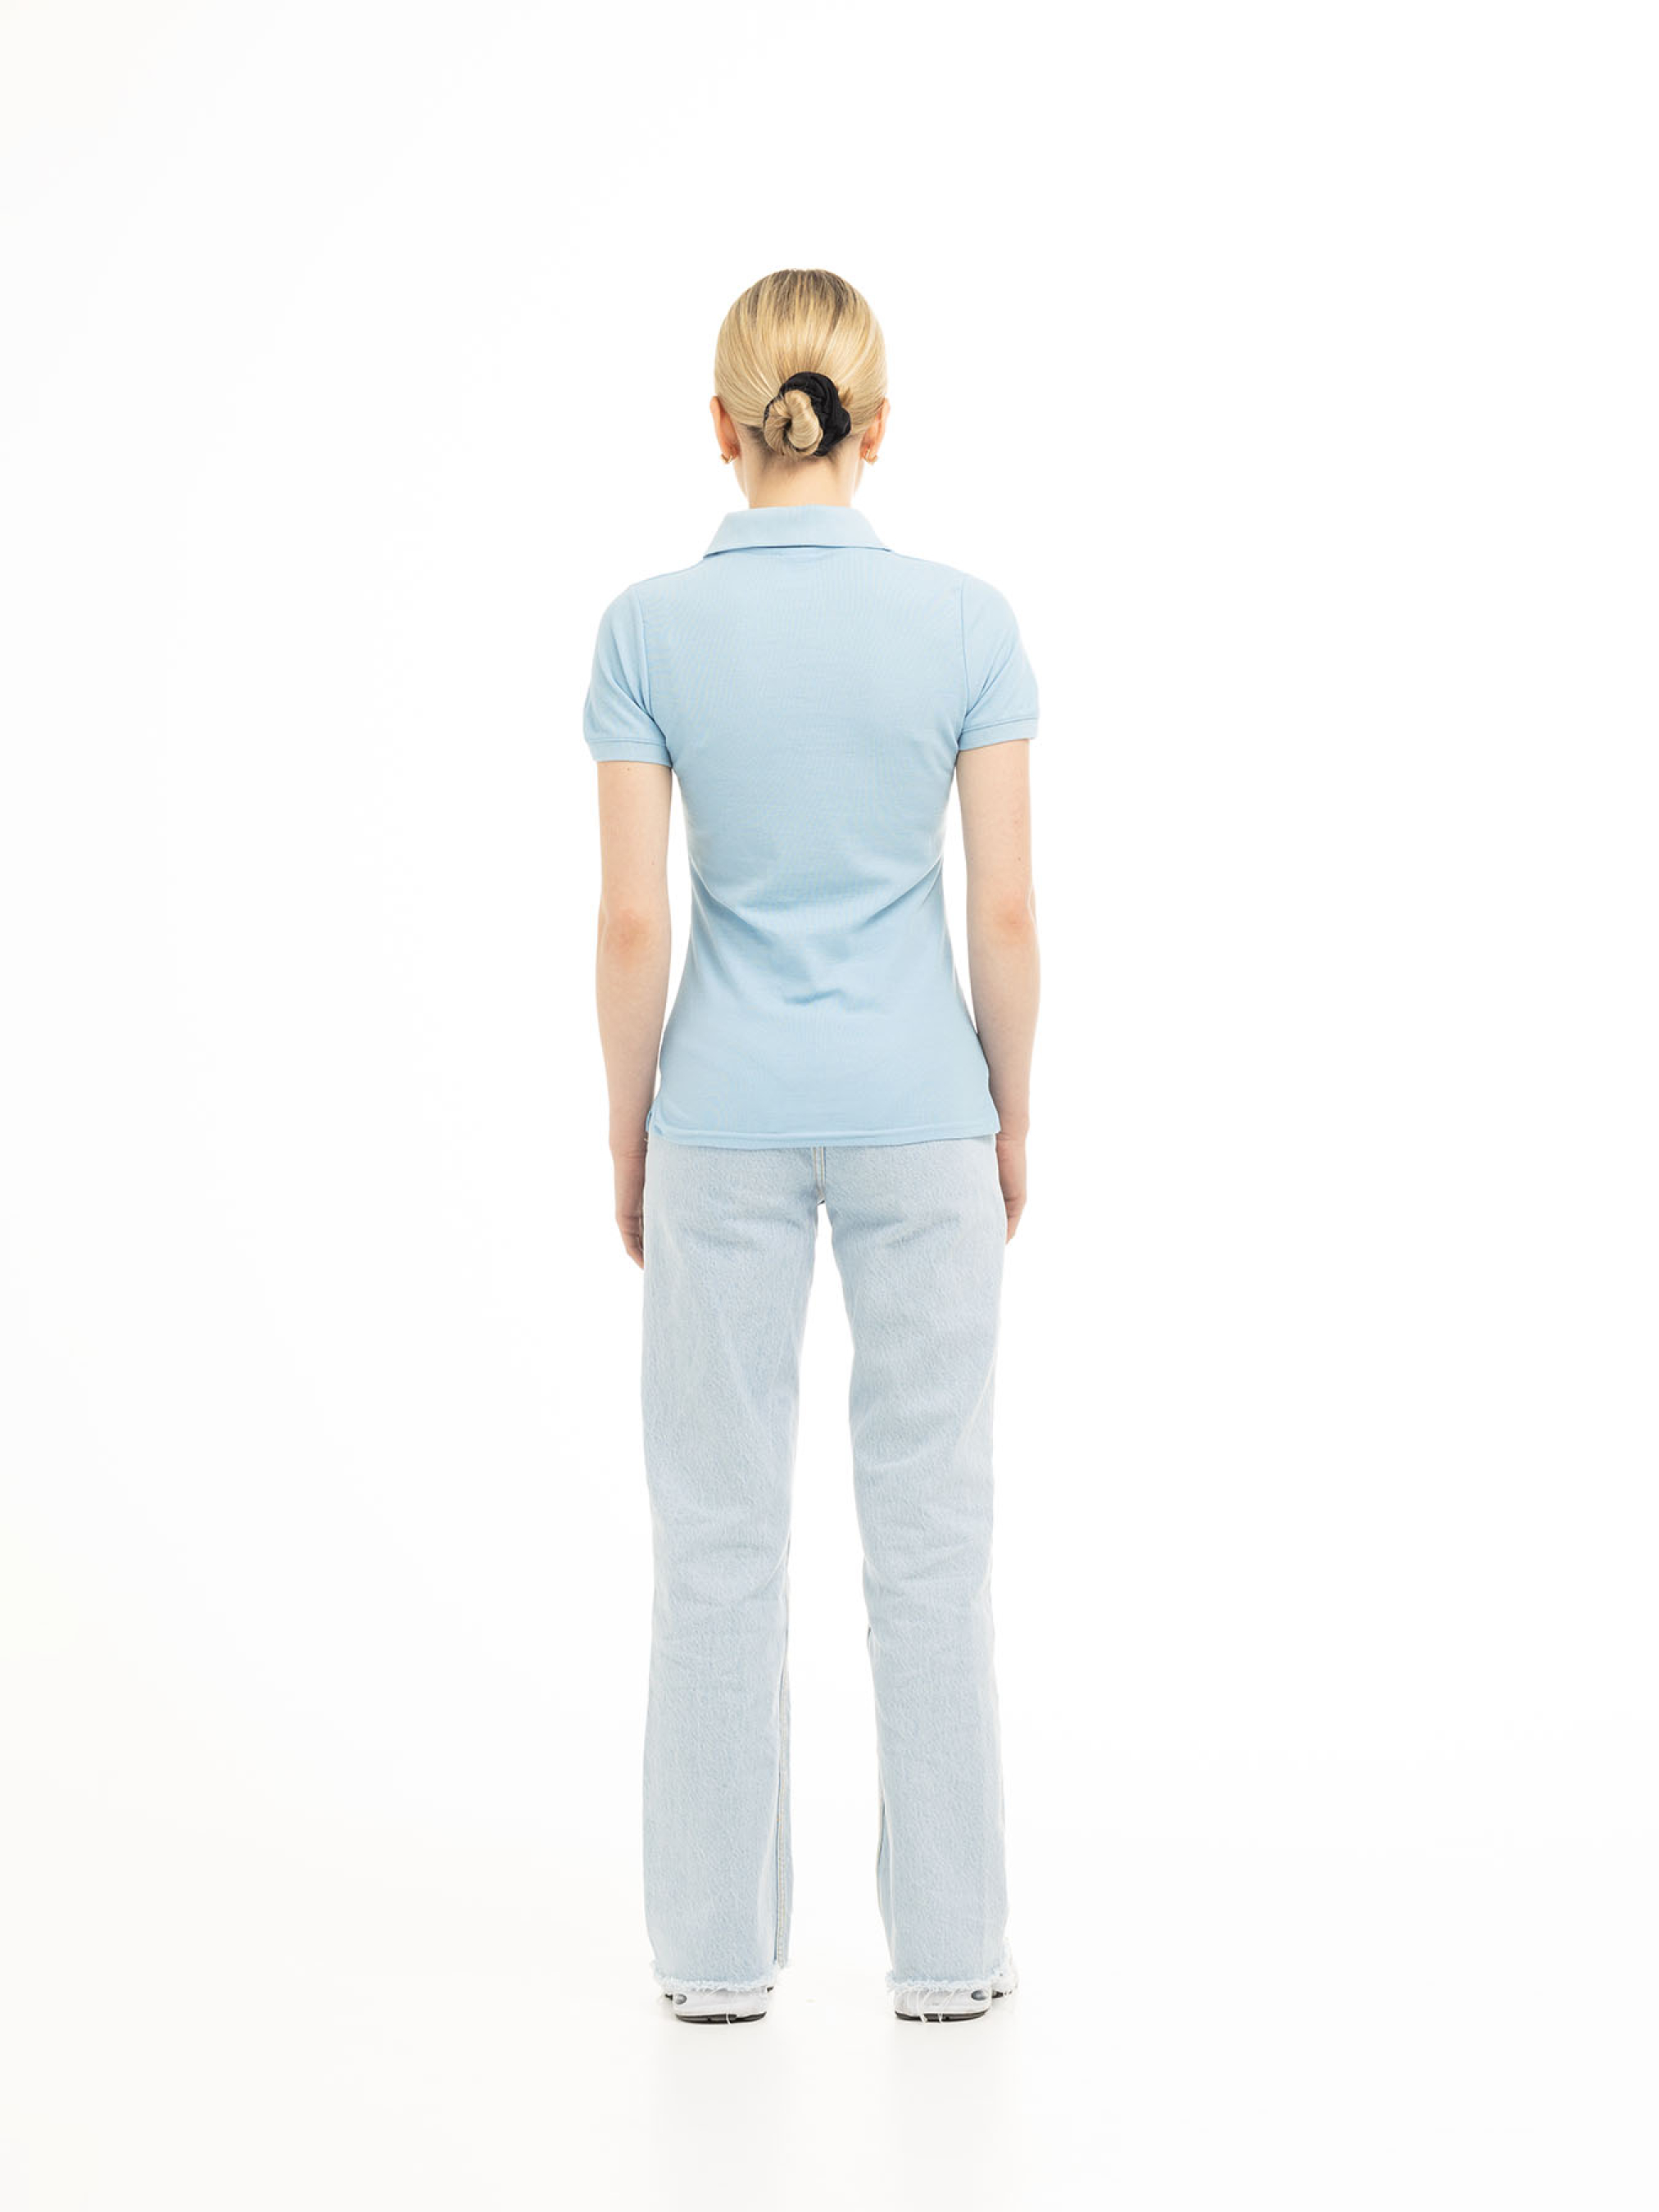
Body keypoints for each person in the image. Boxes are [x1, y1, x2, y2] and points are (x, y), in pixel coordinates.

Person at [583, 269, 1040, 2026]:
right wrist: (1011, 1107)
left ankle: (711, 1961)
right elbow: (1003, 910)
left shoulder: (646, 631)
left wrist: (628, 1127)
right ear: (876, 429)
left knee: (714, 1541)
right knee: (930, 1543)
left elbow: (635, 924)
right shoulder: (965, 622)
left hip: (719, 1117)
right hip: (926, 1113)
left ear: (721, 427)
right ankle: (949, 1959)